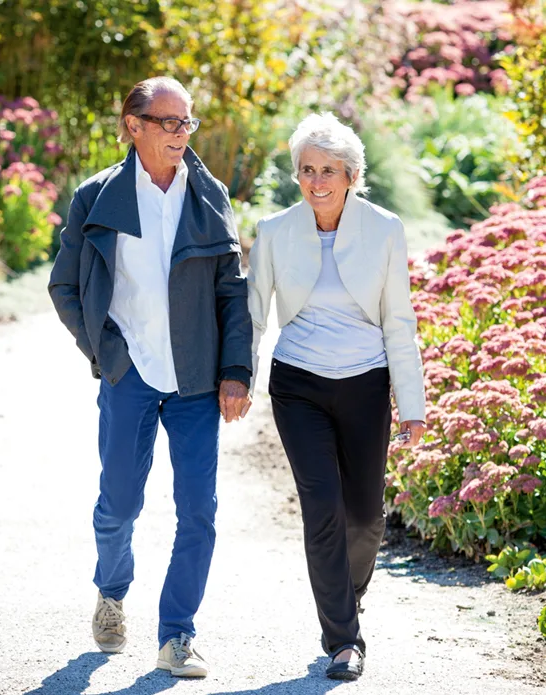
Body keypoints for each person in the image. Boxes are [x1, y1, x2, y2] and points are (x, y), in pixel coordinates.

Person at [48, 77, 252, 678]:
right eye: (169, 122)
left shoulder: (209, 194)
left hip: (196, 378)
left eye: (187, 122)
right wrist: (105, 352)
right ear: (133, 126)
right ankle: (111, 593)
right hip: (129, 373)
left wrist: (235, 370)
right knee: (118, 504)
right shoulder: (96, 197)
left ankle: (177, 634)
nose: (181, 133)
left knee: (199, 512)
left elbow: (232, 290)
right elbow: (64, 286)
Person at [247, 112, 426, 681]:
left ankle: (347, 598)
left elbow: (399, 320)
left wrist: (412, 405)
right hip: (298, 384)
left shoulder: (385, 229)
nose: (317, 181)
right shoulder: (275, 231)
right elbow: (253, 315)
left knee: (366, 519)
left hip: (365, 383)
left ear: (352, 175)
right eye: (307, 169)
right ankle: (343, 639)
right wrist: (239, 379)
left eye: (329, 170)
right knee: (323, 509)